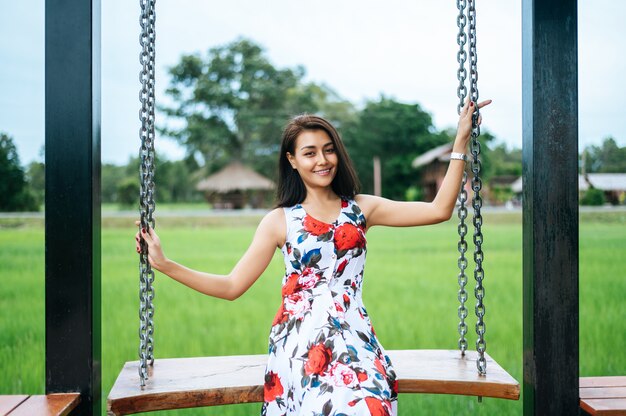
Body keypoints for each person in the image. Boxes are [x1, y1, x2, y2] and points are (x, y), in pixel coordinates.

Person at [135, 98, 491, 416]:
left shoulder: (363, 209)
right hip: (301, 343)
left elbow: (439, 209)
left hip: (354, 337)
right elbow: (231, 285)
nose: (322, 160)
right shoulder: (279, 222)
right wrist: (165, 264)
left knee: (370, 407)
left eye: (328, 149)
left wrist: (460, 140)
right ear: (292, 160)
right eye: (309, 152)